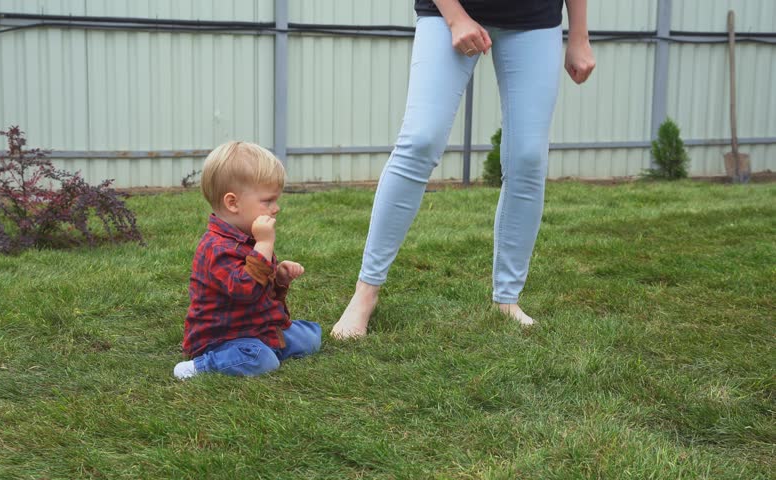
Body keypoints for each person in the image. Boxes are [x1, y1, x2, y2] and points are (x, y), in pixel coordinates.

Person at [331, 0, 596, 338]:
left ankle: (507, 299)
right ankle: (365, 293)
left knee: (528, 158)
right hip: (447, 12)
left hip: (535, 18)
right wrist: (456, 18)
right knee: (420, 140)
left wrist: (579, 36)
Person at [174, 141, 321, 378]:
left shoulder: (248, 236)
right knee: (262, 360)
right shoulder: (216, 248)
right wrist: (264, 245)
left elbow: (262, 290)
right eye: (268, 201)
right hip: (223, 338)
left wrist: (279, 278)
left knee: (310, 338)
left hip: (256, 327)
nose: (276, 208)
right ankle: (199, 366)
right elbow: (246, 291)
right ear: (233, 203)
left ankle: (267, 347)